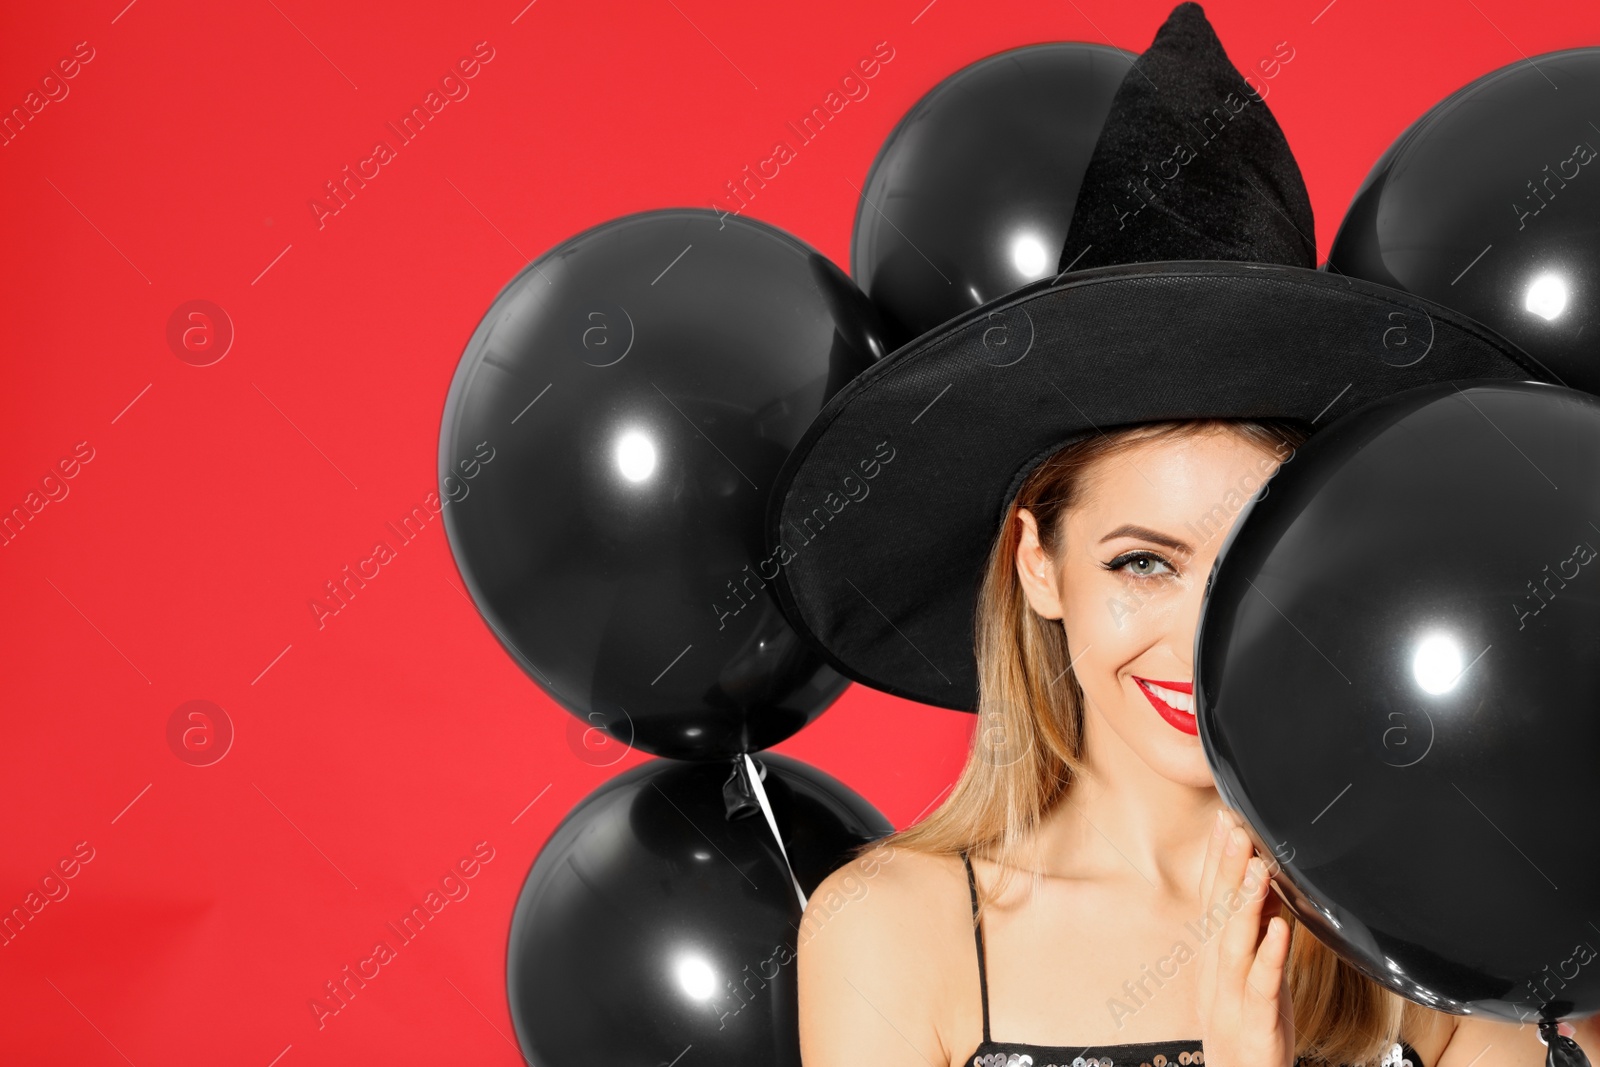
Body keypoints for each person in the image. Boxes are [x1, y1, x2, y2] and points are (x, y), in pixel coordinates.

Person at [763, 5, 1597, 1067]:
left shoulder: (1430, 912)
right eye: (1143, 561)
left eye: (1255, 561)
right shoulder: (894, 930)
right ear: (1038, 562)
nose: (1203, 635)